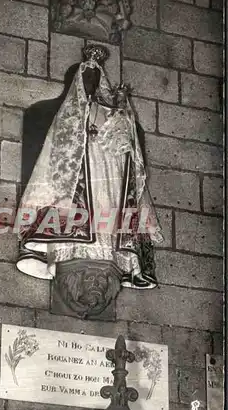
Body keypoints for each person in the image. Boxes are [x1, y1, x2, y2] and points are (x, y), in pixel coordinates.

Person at [16, 44, 163, 290]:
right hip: (80, 172)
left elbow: (125, 147)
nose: (91, 83)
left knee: (107, 209)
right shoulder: (69, 112)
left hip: (108, 172)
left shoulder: (112, 110)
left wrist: (121, 111)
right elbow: (60, 149)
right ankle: (71, 250)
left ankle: (112, 255)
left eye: (95, 77)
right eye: (87, 77)